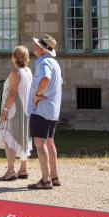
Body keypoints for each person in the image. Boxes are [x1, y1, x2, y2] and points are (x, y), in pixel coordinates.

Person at [27, 34, 63, 190]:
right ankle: (54, 177)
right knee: (49, 142)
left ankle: (46, 179)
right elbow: (59, 82)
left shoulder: (43, 63)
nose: (34, 48)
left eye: (37, 46)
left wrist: (37, 96)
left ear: (43, 49)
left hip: (42, 110)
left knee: (39, 143)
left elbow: (45, 79)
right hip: (52, 110)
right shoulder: (55, 63)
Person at [0, 45, 33, 181]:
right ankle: (23, 169)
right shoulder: (28, 71)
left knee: (9, 139)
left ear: (14, 57)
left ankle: (11, 170)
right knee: (23, 138)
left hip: (14, 110)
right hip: (25, 110)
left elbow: (12, 94)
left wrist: (4, 111)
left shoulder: (15, 73)